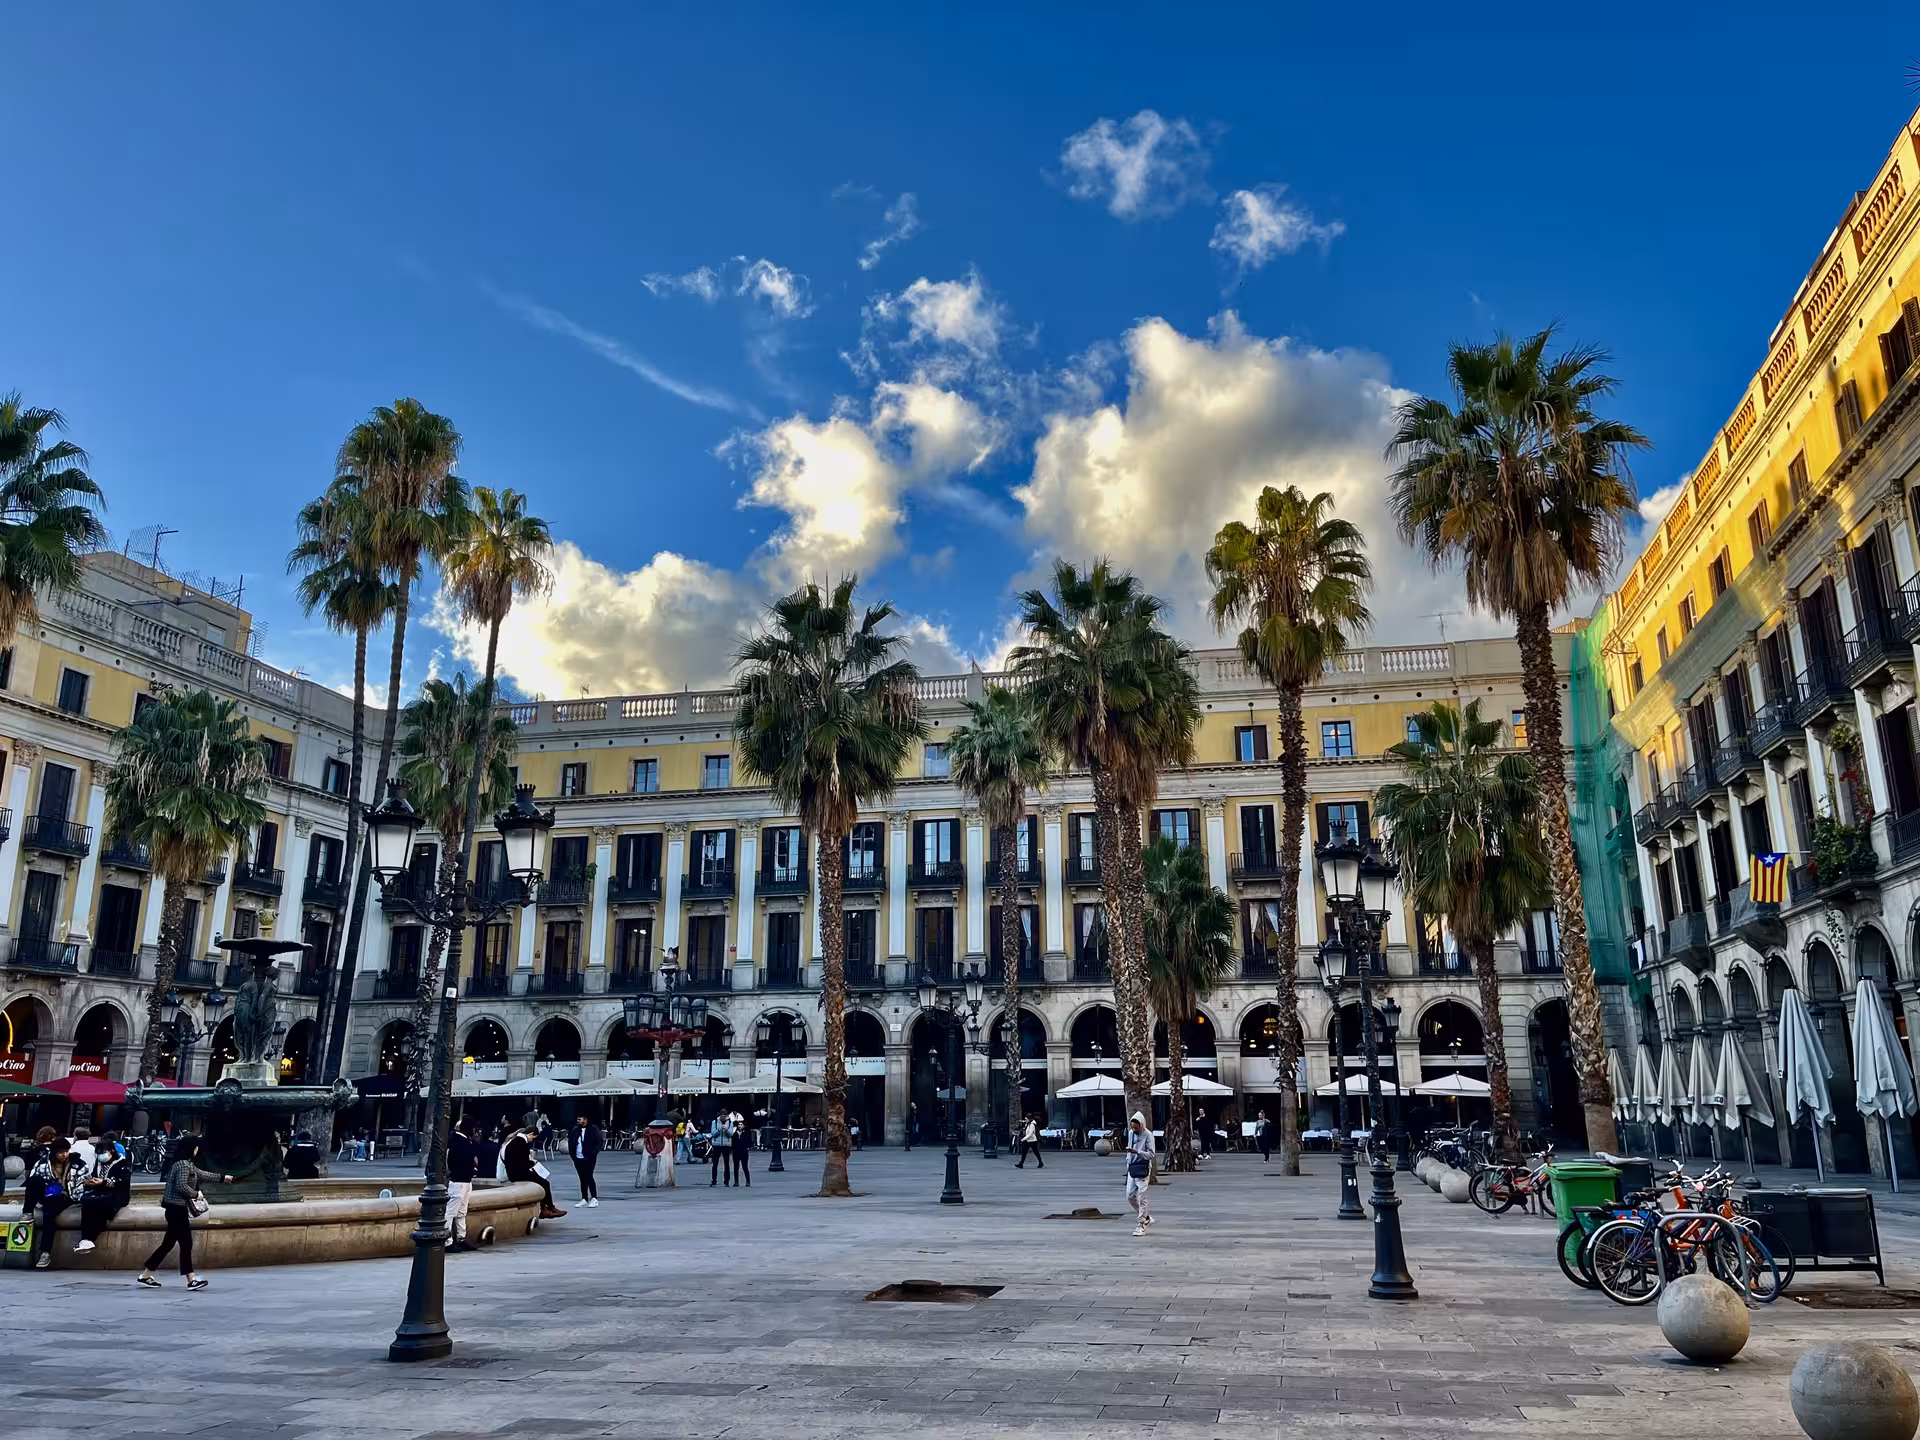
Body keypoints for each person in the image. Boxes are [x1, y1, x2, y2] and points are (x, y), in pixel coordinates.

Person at [137, 1136, 232, 1289]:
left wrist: (222, 1178)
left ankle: (146, 1275)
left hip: (175, 1209)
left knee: (168, 1244)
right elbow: (181, 1186)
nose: (197, 1150)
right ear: (191, 1149)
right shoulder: (183, 1165)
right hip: (176, 1210)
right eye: (196, 1147)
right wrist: (196, 1195)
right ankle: (191, 1279)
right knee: (186, 1243)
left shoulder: (186, 1164)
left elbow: (202, 1174)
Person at [75, 1134, 132, 1254]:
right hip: (99, 1192)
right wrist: (91, 1181)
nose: (100, 1156)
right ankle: (86, 1239)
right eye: (98, 1153)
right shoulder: (99, 1162)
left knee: (97, 1207)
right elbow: (95, 1174)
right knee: (87, 1203)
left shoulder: (122, 1162)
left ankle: (88, 1238)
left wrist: (104, 1182)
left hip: (116, 1194)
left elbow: (123, 1181)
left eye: (103, 1152)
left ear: (111, 1151)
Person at [504, 1118, 565, 1218]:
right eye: (533, 1137)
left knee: (540, 1179)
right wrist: (533, 1164)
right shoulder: (520, 1143)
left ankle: (545, 1208)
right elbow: (523, 1162)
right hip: (517, 1173)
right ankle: (550, 1208)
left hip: (515, 1171)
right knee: (545, 1183)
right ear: (530, 1134)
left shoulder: (515, 1141)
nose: (532, 1140)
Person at [31, 1138, 75, 1268]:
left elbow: (81, 1182)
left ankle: (45, 1252)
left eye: (66, 1151)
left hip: (67, 1196)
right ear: (54, 1152)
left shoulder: (77, 1163)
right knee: (49, 1213)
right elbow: (33, 1179)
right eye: (61, 1152)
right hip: (49, 1196)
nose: (64, 1155)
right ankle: (45, 1252)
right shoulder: (43, 1163)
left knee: (49, 1215)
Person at [446, 1116, 476, 1251]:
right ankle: (448, 1241)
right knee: (452, 1212)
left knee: (461, 1211)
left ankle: (461, 1237)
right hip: (459, 1181)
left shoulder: (460, 1140)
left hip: (463, 1180)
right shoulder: (458, 1142)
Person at [1124, 1111, 1155, 1237]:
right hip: (1132, 1168)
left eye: (1136, 1128)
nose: (1134, 1130)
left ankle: (1141, 1224)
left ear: (1141, 1125)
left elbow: (1151, 1154)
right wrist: (1128, 1159)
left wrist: (1137, 1152)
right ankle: (1146, 1216)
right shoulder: (1131, 1134)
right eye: (1132, 1127)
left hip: (1143, 1168)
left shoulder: (1148, 1135)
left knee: (1142, 1197)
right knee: (1130, 1196)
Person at [20, 1125, 57, 1217]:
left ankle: (27, 1213)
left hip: (37, 1184)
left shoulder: (34, 1151)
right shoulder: (57, 1150)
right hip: (54, 1186)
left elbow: (28, 1171)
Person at [570, 1114, 602, 1208]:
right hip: (577, 1157)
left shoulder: (593, 1129)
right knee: (582, 1178)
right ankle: (584, 1198)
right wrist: (573, 1156)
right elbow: (571, 1142)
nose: (578, 1121)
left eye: (580, 1119)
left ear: (585, 1119)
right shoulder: (575, 1130)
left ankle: (594, 1198)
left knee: (589, 1176)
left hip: (589, 1157)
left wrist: (593, 1154)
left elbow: (599, 1142)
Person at [709, 1112, 734, 1187]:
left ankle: (727, 1180)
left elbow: (730, 1134)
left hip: (726, 1145)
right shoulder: (715, 1122)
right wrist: (719, 1129)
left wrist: (725, 1129)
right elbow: (713, 1133)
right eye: (721, 1116)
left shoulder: (730, 1123)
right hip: (717, 1145)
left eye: (724, 1116)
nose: (723, 1118)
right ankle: (714, 1180)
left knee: (726, 1164)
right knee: (715, 1164)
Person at [729, 1111, 751, 1188]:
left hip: (744, 1152)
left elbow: (749, 1142)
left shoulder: (746, 1133)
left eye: (741, 1125)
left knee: (745, 1167)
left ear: (744, 1126)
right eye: (739, 1125)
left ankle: (748, 1181)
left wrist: (748, 1148)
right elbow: (732, 1143)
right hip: (736, 1152)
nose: (740, 1126)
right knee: (736, 1168)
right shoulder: (735, 1134)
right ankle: (736, 1182)